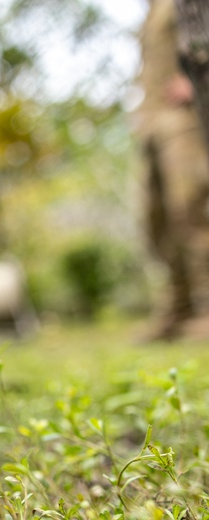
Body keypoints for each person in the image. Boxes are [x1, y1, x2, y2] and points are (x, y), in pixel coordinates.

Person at [136, 0, 209, 341]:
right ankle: (177, 309)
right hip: (151, 121)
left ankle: (205, 307)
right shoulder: (151, 9)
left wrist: (193, 82)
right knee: (156, 218)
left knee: (191, 209)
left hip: (184, 119)